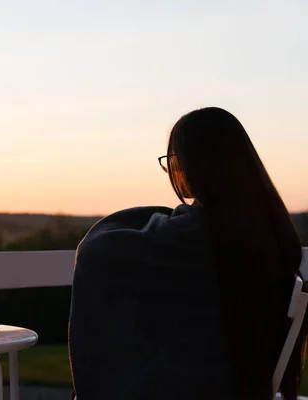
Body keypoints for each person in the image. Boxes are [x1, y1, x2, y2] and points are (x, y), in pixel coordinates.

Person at [68, 107, 305, 400]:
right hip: (242, 385)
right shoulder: (266, 229)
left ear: (193, 165)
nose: (172, 172)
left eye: (172, 162)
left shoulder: (195, 235)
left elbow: (94, 252)